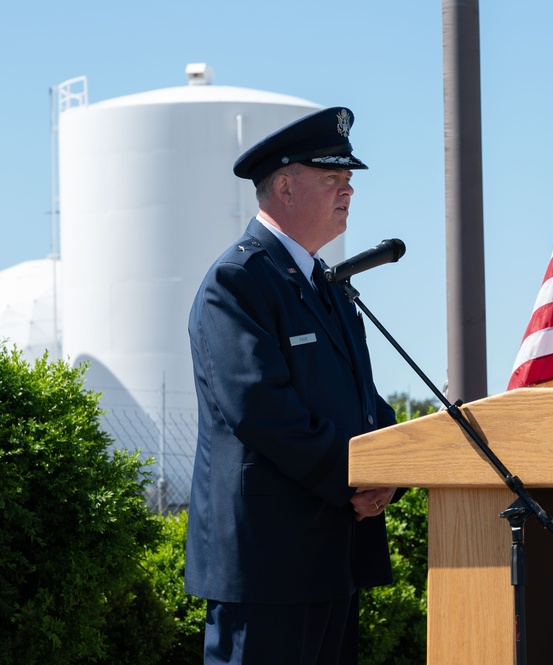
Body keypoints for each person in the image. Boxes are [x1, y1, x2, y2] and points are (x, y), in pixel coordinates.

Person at [186, 106, 402, 665]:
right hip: (268, 562)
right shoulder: (237, 282)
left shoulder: (329, 287)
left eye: (348, 181)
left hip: (332, 554)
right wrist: (353, 480)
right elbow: (262, 410)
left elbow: (364, 402)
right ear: (283, 186)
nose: (347, 192)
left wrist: (390, 470)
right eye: (332, 179)